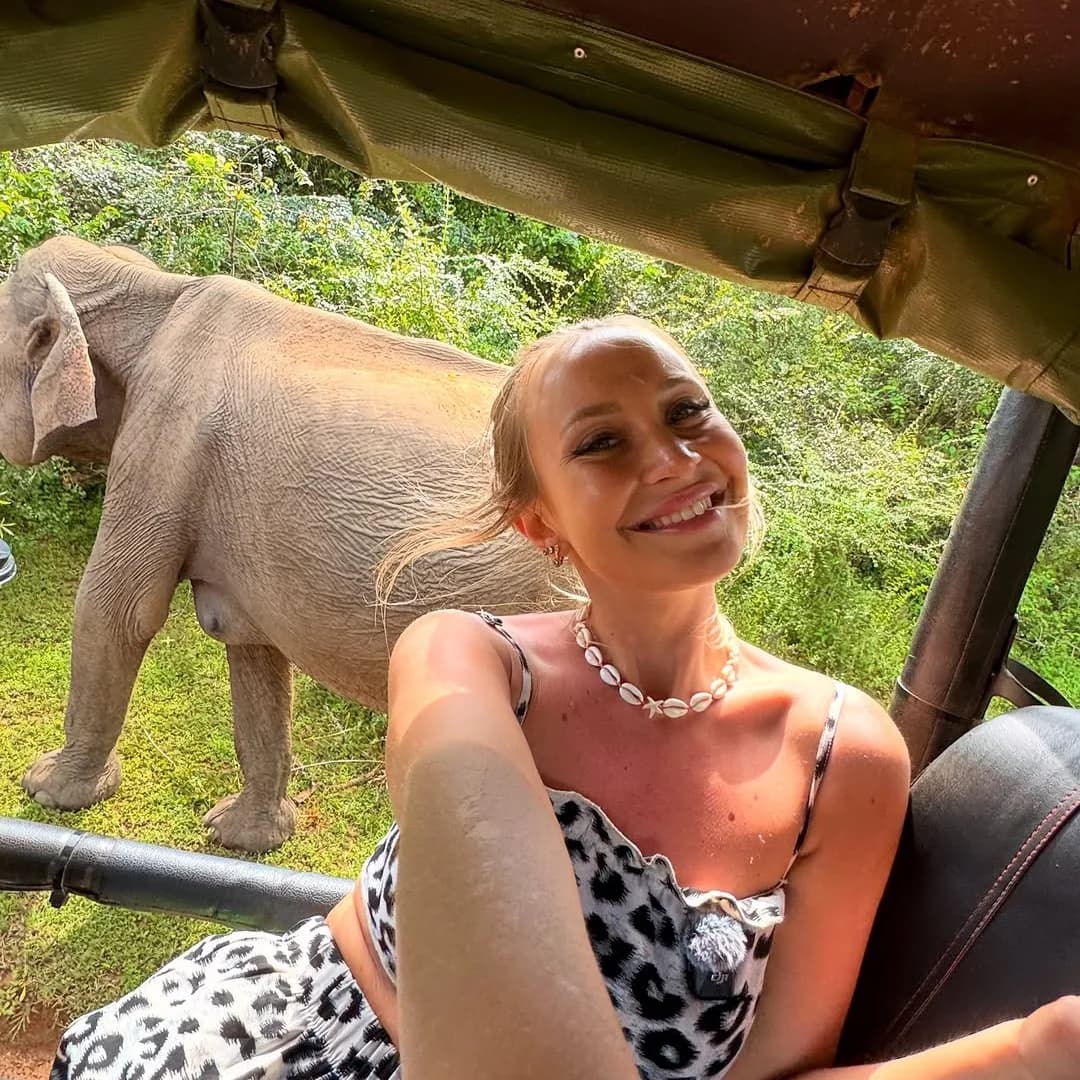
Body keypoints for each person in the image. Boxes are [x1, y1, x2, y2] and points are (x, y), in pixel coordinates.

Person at [51, 317, 1078, 1080]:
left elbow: (775, 1073)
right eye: (601, 443)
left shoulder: (846, 757)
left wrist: (1037, 1050)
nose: (674, 459)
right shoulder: (465, 659)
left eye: (688, 412)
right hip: (291, 1043)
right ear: (539, 524)